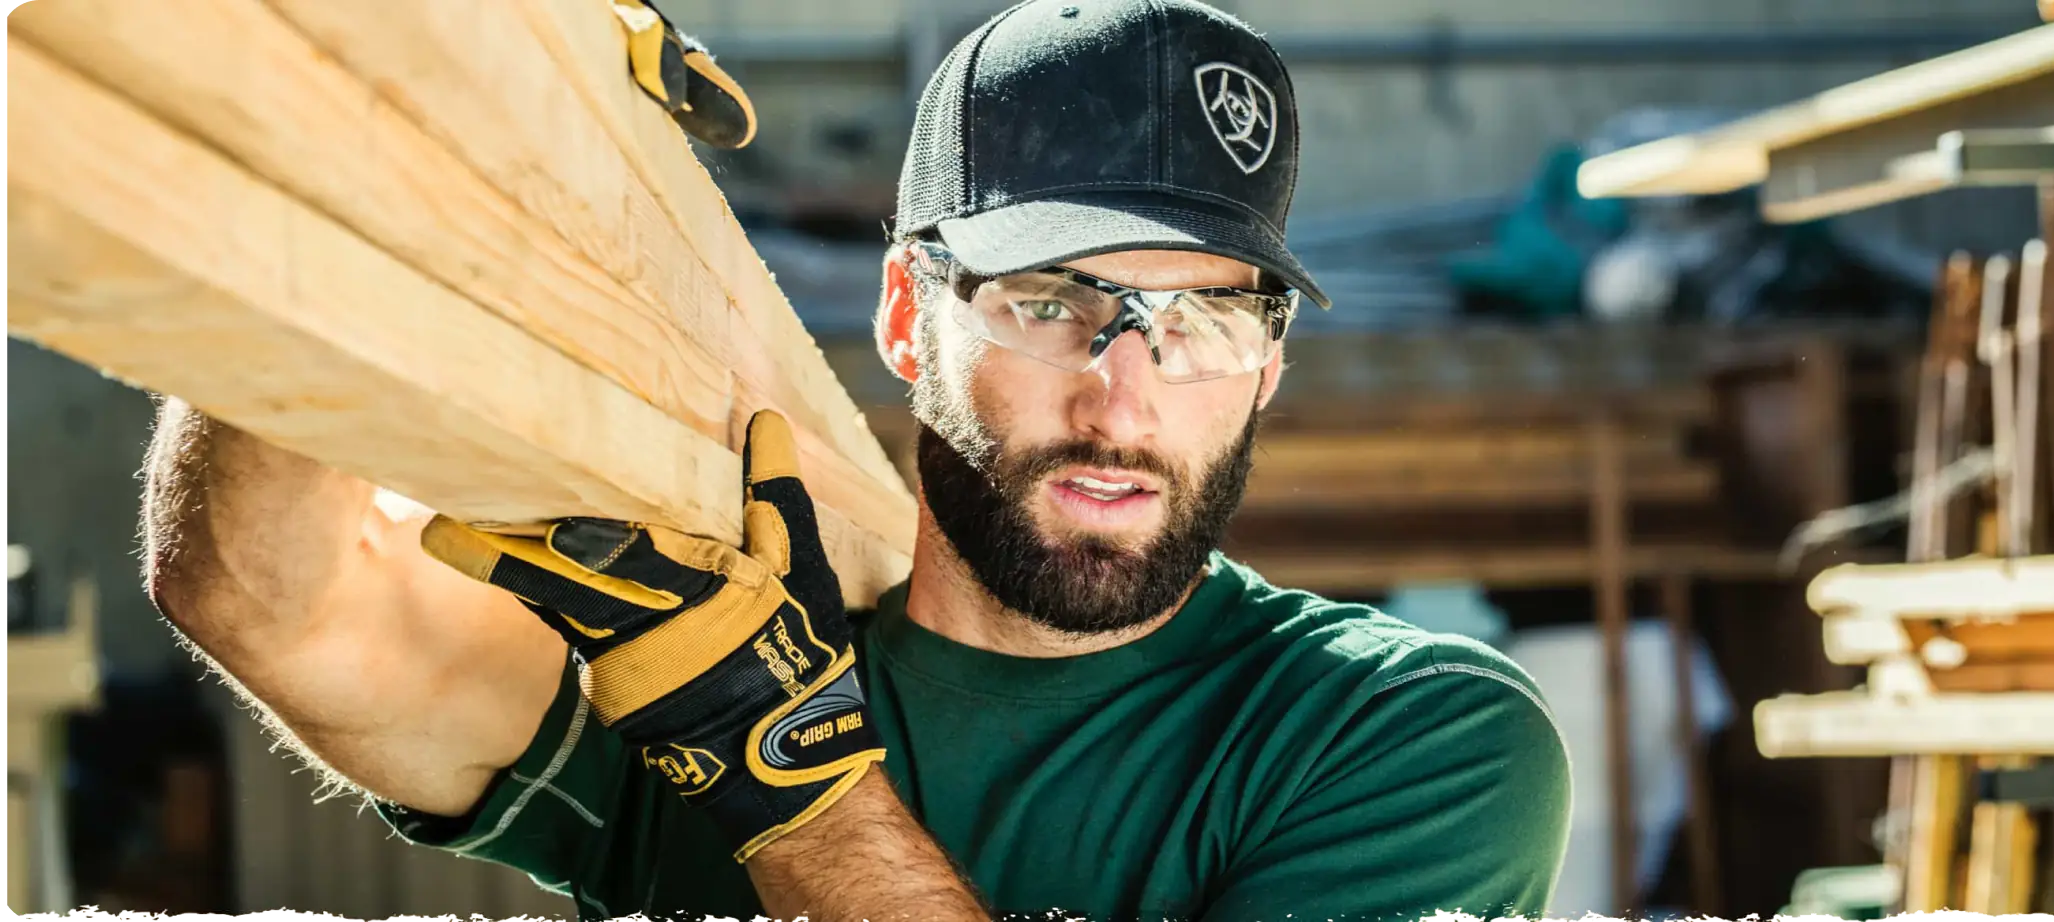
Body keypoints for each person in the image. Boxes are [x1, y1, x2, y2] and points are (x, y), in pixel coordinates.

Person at [137, 1, 1572, 919]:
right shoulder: (705, 633)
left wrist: (778, 771)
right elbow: (262, 593)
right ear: (905, 315)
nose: (1123, 392)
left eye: (1199, 318)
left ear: (1269, 361)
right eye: (1048, 301)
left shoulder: (1404, 740)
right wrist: (401, 155)